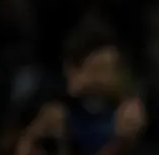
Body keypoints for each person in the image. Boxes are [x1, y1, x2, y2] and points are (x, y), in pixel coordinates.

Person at [15, 23, 146, 155]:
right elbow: (26, 145)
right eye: (99, 69)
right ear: (74, 71)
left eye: (112, 69)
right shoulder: (60, 112)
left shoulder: (124, 112)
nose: (106, 79)